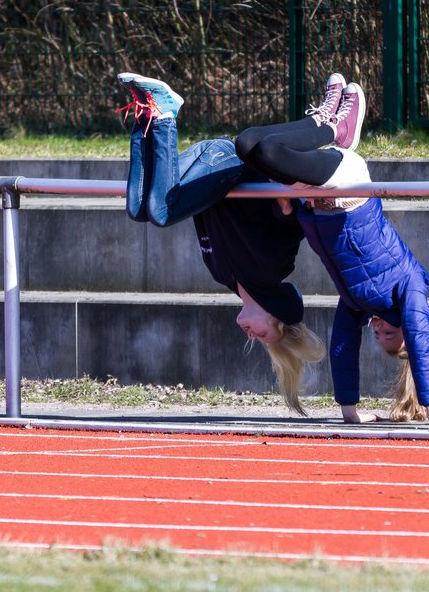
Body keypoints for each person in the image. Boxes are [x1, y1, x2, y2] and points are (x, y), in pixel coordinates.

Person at [235, 80, 429, 426]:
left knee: (247, 145)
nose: (379, 329)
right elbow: (421, 341)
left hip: (314, 201)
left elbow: (343, 348)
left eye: (378, 336)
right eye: (390, 333)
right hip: (347, 187)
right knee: (270, 152)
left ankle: (329, 121)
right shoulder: (410, 287)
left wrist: (350, 412)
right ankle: (337, 129)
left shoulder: (357, 304)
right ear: (405, 329)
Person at [119, 71, 325, 414]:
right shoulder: (272, 269)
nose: (249, 335)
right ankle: (167, 112)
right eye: (261, 335)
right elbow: (292, 229)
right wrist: (287, 209)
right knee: (161, 211)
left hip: (210, 176)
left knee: (139, 208)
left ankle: (146, 114)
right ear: (276, 315)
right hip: (230, 165)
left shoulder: (222, 275)